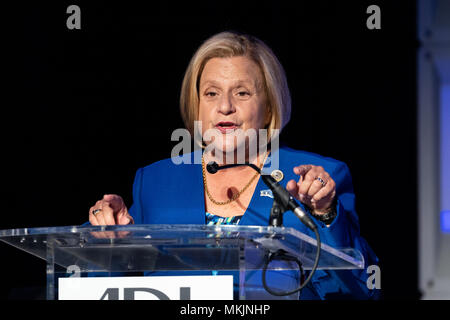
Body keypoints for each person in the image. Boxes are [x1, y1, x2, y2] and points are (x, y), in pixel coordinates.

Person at [87, 31, 380, 299]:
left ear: (269, 107)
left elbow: (361, 290)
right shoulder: (156, 182)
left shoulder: (316, 179)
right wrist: (107, 237)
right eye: (211, 93)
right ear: (196, 104)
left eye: (242, 92)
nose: (224, 106)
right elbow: (102, 285)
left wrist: (325, 214)